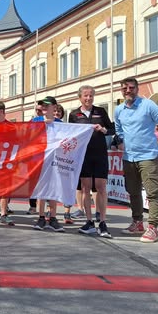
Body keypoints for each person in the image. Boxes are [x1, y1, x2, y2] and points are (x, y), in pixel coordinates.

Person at [115, 77, 158, 243]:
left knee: (152, 192)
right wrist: (120, 140)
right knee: (133, 191)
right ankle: (137, 222)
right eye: (125, 88)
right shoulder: (119, 110)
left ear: (137, 89)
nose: (128, 91)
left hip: (148, 156)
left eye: (131, 88)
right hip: (128, 157)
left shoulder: (148, 105)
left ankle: (153, 227)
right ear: (121, 90)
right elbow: (118, 128)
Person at [68, 85, 114, 238]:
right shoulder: (74, 115)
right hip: (83, 155)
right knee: (85, 188)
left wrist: (103, 130)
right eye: (85, 95)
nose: (88, 98)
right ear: (80, 97)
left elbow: (112, 129)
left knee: (101, 187)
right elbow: (70, 134)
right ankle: (89, 221)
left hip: (100, 154)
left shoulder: (100, 111)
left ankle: (102, 222)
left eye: (91, 95)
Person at [31, 96, 64, 232]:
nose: (44, 107)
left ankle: (53, 218)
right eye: (42, 105)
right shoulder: (35, 121)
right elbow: (28, 137)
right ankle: (41, 217)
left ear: (54, 107)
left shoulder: (60, 123)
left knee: (53, 189)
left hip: (54, 160)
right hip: (40, 160)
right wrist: (42, 125)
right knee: (41, 189)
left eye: (47, 105)